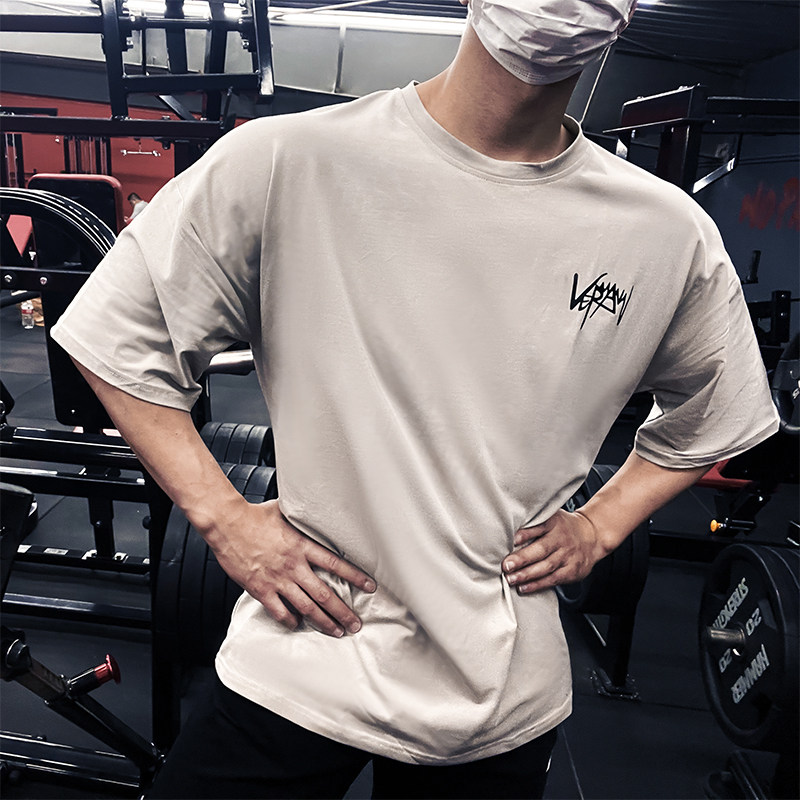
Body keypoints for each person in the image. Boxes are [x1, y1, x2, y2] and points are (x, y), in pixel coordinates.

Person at [51, 0, 779, 797]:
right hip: (300, 653)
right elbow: (117, 333)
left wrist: (600, 525)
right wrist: (224, 519)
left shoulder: (664, 232)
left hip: (495, 692)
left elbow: (721, 409)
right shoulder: (288, 158)